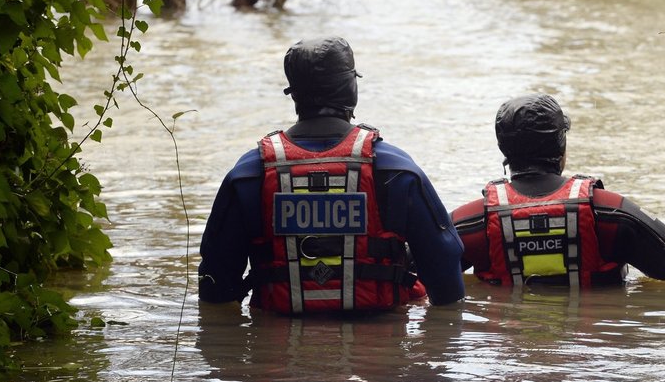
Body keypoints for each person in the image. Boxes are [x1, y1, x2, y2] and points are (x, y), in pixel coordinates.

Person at [199, 36, 465, 314]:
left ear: (294, 93)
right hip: (379, 352)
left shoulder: (249, 173)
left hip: (276, 350)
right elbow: (446, 281)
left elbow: (215, 289)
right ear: (352, 89)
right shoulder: (396, 169)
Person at [451, 93, 665, 288]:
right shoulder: (612, 214)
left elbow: (412, 274)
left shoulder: (470, 223)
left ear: (503, 148)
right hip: (592, 365)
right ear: (562, 145)